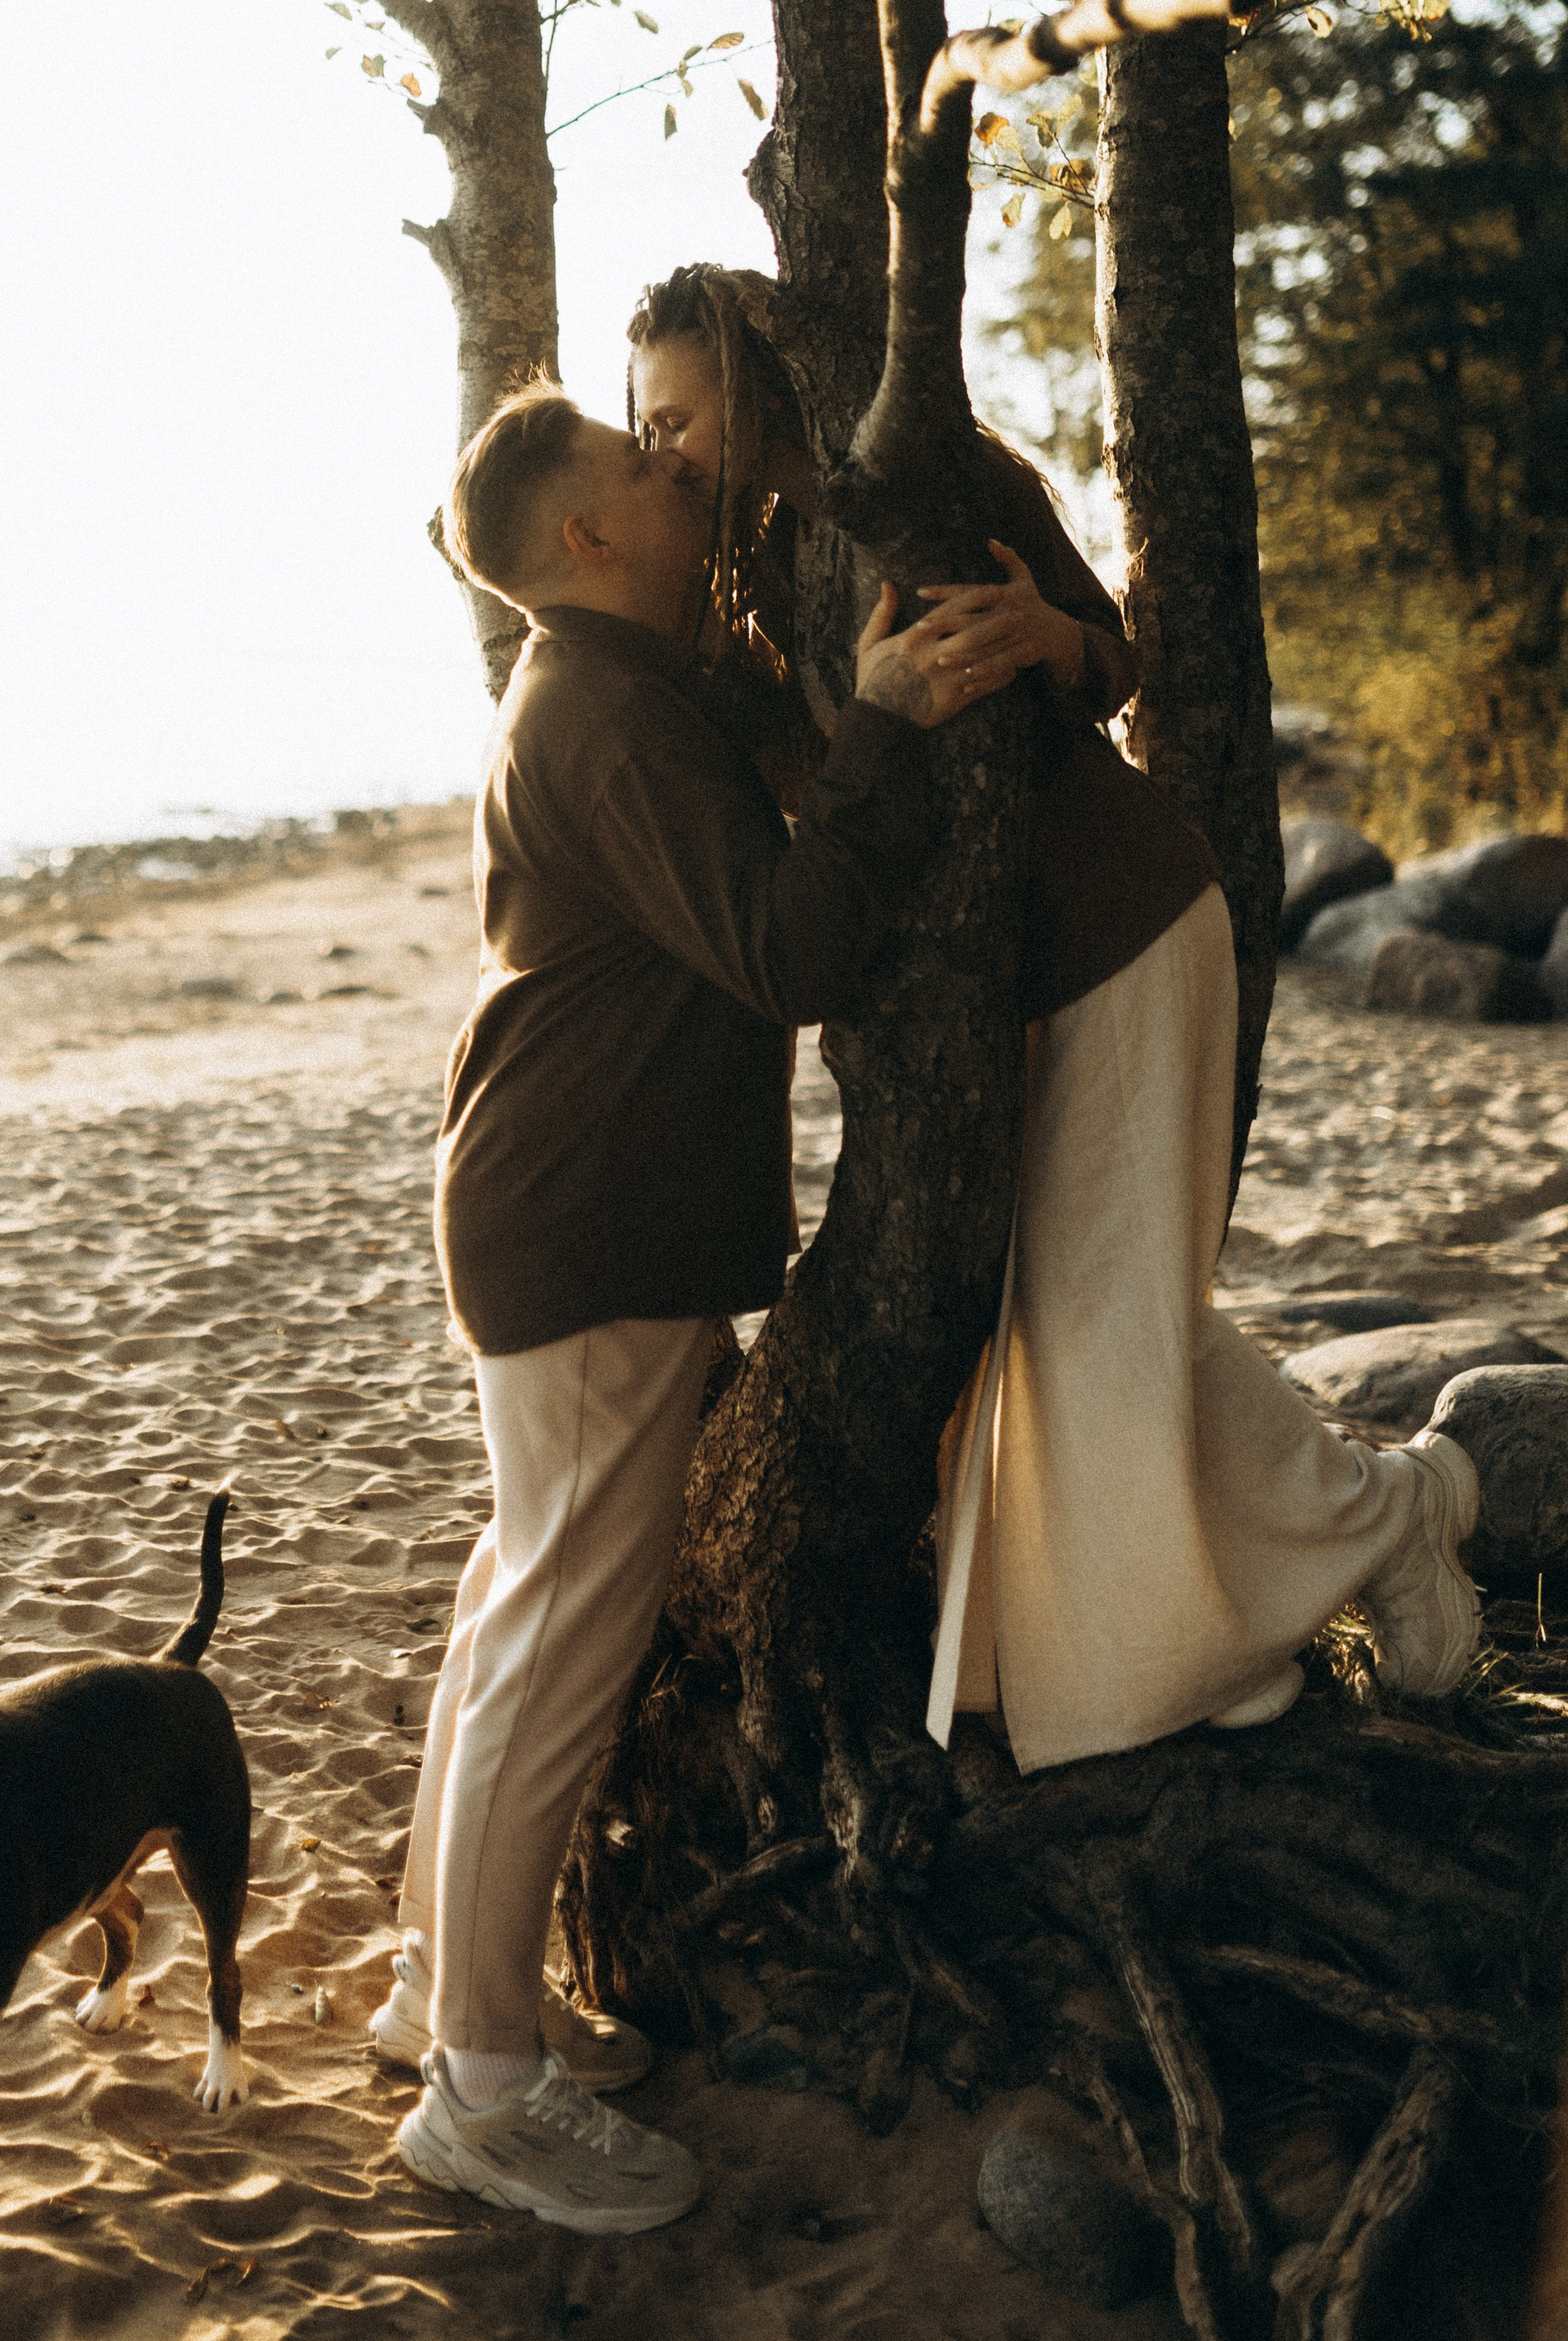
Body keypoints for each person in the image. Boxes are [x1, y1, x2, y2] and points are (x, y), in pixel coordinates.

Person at [626, 262, 1482, 1776]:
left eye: (681, 413)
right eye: (647, 426)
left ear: (754, 373)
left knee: (1105, 1322)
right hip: (998, 986)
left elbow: (1110, 652)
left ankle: (1401, 1517)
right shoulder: (753, 566)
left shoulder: (926, 469)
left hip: (1131, 924)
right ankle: (1328, 1552)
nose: (668, 448)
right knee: (1076, 1319)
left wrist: (1052, 645)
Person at [379, 378, 993, 2234]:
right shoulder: (589, 715)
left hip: (574, 1213)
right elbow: (790, 946)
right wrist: (882, 734)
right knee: (564, 1630)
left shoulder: (622, 684)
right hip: (589, 1225)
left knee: (520, 1608)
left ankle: (442, 1992)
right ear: (579, 538)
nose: (682, 474)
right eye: (646, 468)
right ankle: (478, 2087)